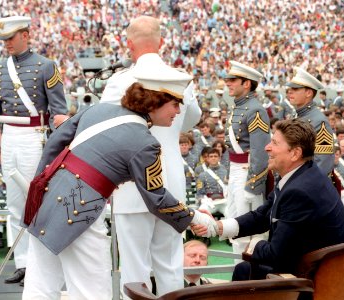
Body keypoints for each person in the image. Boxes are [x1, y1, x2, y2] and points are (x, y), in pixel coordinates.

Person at [22, 64, 217, 299]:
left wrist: (42, 184)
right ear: (155, 101)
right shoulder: (146, 144)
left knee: (40, 286)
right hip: (82, 209)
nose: (177, 111)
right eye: (174, 104)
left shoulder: (99, 109)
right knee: (92, 292)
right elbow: (157, 199)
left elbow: (55, 143)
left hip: (48, 197)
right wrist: (195, 217)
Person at [99, 16, 202, 296]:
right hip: (170, 183)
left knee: (133, 268)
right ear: (163, 42)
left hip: (131, 184)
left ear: (128, 44)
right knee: (170, 264)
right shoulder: (180, 79)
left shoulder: (119, 82)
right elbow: (191, 120)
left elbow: (102, 129)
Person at [194, 119, 344, 280]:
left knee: (243, 271)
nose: (267, 147)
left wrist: (254, 245)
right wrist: (218, 226)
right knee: (244, 269)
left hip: (319, 280)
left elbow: (276, 255)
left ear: (295, 153)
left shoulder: (299, 191)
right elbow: (263, 215)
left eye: (275, 143)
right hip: (318, 267)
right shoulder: (303, 174)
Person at [0, 16, 68, 285]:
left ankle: (40, 264)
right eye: (4, 39)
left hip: (35, 136)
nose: (7, 43)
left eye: (11, 37)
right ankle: (21, 263)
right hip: (9, 136)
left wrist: (58, 141)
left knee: (37, 198)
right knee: (14, 202)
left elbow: (59, 109)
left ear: (25, 35)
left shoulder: (45, 66)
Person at [223, 60, 271, 255]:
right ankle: (239, 273)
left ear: (247, 84)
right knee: (233, 222)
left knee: (245, 227)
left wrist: (254, 183)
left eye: (233, 80)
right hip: (236, 171)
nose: (228, 83)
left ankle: (246, 276)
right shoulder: (238, 106)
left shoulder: (255, 109)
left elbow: (260, 152)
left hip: (246, 173)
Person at [286, 67, 334, 176]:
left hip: (306, 181)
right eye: (290, 88)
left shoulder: (319, 122)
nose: (290, 91)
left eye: (296, 89)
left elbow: (322, 163)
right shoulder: (295, 115)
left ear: (308, 93)